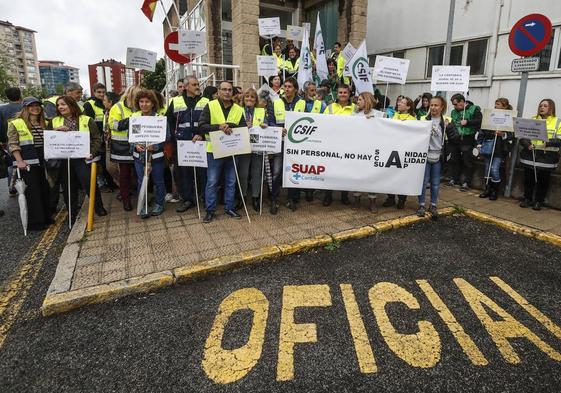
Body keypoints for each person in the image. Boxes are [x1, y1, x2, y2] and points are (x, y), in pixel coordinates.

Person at [47, 96, 106, 219]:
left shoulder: (87, 120)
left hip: (82, 160)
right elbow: (48, 139)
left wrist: (92, 153)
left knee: (90, 184)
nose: (60, 107)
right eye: (58, 105)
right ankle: (72, 213)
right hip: (64, 160)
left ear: (72, 105)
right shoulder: (53, 121)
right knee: (69, 187)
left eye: (63, 104)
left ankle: (99, 208)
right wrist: (56, 130)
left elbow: (96, 139)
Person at [198, 81, 247, 223]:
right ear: (218, 92)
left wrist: (230, 126)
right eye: (224, 90)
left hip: (232, 150)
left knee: (231, 181)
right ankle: (210, 210)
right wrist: (219, 127)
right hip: (213, 151)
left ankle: (229, 207)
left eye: (230, 90)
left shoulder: (238, 109)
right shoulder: (210, 105)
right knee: (212, 182)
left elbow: (243, 128)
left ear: (233, 92)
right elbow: (201, 126)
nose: (227, 92)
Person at [119, 89, 170, 218]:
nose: (144, 104)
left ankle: (159, 203)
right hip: (139, 157)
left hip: (156, 157)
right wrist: (135, 145)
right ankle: (143, 204)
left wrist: (156, 146)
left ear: (153, 103)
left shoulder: (160, 119)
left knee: (158, 180)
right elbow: (131, 136)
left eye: (147, 101)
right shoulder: (135, 118)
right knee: (142, 181)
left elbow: (167, 137)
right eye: (141, 101)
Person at [7, 97, 53, 230]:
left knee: (44, 189)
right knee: (33, 192)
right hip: (27, 161)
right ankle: (35, 222)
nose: (35, 108)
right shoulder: (16, 123)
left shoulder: (44, 122)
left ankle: (45, 218)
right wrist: (19, 161)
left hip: (42, 159)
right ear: (25, 108)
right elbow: (13, 143)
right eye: (31, 106)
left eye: (37, 105)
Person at [416, 96, 459, 220]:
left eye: (436, 105)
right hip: (424, 156)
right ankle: (421, 205)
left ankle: (433, 205)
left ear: (442, 107)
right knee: (423, 183)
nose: (433, 107)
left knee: (435, 183)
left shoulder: (447, 120)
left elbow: (455, 138)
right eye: (431, 105)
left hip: (438, 156)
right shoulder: (423, 119)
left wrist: (449, 127)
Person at [170, 76, 208, 214]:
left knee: (203, 172)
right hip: (182, 144)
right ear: (186, 87)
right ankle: (188, 199)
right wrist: (176, 137)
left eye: (198, 84)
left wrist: (202, 135)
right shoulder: (175, 102)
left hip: (200, 142)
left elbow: (210, 121)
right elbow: (169, 122)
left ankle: (204, 197)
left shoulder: (206, 102)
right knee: (184, 173)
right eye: (194, 84)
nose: (197, 86)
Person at [519, 99, 561, 210]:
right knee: (528, 179)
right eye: (541, 105)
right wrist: (527, 144)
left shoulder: (558, 122)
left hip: (547, 157)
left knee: (543, 181)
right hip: (531, 154)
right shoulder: (532, 120)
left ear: (551, 108)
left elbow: (560, 140)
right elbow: (523, 136)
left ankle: (538, 201)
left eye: (545, 106)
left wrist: (548, 142)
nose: (541, 107)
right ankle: (527, 199)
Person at [269, 77, 302, 213]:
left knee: (294, 171)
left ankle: (292, 199)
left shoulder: (303, 103)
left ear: (295, 89)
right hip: (280, 143)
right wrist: (278, 129)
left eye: (289, 87)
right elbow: (270, 121)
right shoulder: (276, 102)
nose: (287, 89)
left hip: (296, 145)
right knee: (276, 172)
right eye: (285, 86)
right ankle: (274, 200)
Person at [108, 85, 141, 211]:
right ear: (129, 95)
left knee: (139, 174)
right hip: (122, 147)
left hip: (138, 145)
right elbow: (113, 125)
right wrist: (130, 120)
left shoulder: (139, 107)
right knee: (125, 174)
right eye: (136, 97)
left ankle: (141, 198)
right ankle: (126, 199)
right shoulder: (117, 107)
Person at [322, 84, 355, 206]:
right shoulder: (330, 108)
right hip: (332, 144)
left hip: (348, 145)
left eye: (345, 92)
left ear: (349, 94)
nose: (342, 95)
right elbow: (322, 123)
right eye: (340, 92)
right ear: (337, 93)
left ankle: (344, 196)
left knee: (345, 171)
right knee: (329, 171)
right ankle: (328, 195)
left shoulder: (355, 109)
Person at [476, 98, 514, 201]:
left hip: (499, 148)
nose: (496, 106)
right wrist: (479, 144)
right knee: (487, 169)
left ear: (505, 106)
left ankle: (494, 191)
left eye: (498, 104)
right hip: (488, 146)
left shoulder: (509, 118)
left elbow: (512, 135)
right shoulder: (490, 116)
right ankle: (487, 189)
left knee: (494, 169)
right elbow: (482, 130)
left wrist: (503, 134)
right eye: (495, 104)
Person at [294, 81, 326, 203]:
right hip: (300, 140)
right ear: (305, 91)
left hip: (314, 140)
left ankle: (310, 190)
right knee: (301, 165)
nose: (314, 93)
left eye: (315, 90)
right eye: (311, 90)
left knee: (312, 166)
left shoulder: (321, 104)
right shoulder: (299, 103)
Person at [383, 96, 417, 209]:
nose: (399, 104)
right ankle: (390, 198)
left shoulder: (412, 120)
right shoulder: (393, 116)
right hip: (391, 150)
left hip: (404, 151)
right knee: (389, 175)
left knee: (402, 176)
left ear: (408, 106)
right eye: (399, 102)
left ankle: (402, 199)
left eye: (402, 103)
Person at [83, 83, 117, 193]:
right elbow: (88, 123)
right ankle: (102, 184)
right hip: (96, 138)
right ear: (94, 92)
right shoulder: (89, 104)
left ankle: (111, 183)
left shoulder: (106, 103)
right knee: (99, 163)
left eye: (103, 92)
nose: (101, 95)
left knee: (106, 162)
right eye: (99, 92)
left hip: (105, 137)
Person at [238, 88, 267, 212]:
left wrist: (265, 125)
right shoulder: (238, 110)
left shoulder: (261, 111)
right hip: (243, 145)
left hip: (257, 146)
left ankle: (255, 197)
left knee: (257, 173)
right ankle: (242, 197)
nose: (249, 99)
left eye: (252, 97)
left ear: (256, 100)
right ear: (243, 99)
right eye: (247, 97)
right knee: (243, 173)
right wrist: (244, 126)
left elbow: (267, 124)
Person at [351, 92, 379, 212]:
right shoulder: (354, 114)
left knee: (372, 176)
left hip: (372, 150)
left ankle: (372, 201)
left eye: (360, 99)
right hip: (357, 149)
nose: (358, 101)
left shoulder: (378, 114)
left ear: (367, 100)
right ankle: (356, 200)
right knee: (357, 174)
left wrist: (374, 121)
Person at [448, 93, 482, 191]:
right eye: (453, 105)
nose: (455, 107)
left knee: (467, 160)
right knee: (455, 159)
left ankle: (466, 182)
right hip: (455, 138)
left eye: (456, 104)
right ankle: (455, 178)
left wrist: (468, 122)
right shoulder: (454, 112)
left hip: (468, 137)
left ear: (462, 102)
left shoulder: (474, 109)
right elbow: (452, 123)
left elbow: (479, 121)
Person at [0, 87, 23, 197]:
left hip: (9, 140)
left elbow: (0, 126)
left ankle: (12, 187)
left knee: (11, 165)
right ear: (20, 94)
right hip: (26, 138)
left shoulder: (2, 109)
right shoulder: (26, 106)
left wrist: (3, 140)